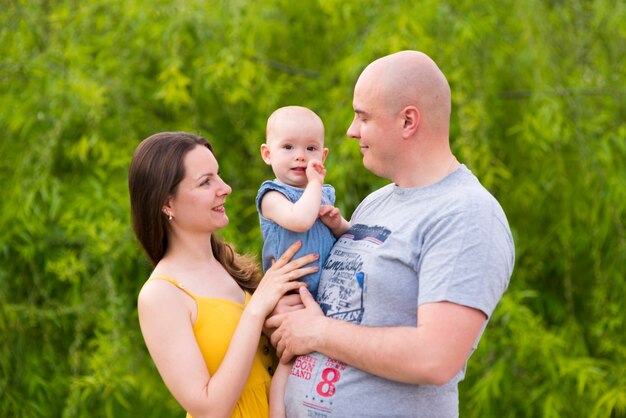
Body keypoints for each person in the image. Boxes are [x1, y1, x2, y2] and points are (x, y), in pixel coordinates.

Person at [266, 51, 515, 417]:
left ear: (408, 121)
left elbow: (436, 357)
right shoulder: (376, 203)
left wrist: (317, 332)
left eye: (363, 117)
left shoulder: (466, 213)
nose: (351, 130)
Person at [128, 132, 320, 418]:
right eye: (206, 182)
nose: (226, 188)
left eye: (218, 176)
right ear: (167, 203)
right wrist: (256, 311)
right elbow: (210, 409)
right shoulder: (161, 294)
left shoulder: (231, 265)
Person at [255, 106, 350, 417]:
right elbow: (300, 220)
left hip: (321, 296)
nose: (299, 156)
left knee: (319, 356)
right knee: (288, 357)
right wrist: (314, 186)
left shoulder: (322, 194)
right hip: (289, 294)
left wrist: (337, 223)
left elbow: (349, 234)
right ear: (268, 154)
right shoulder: (272, 196)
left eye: (310, 148)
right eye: (288, 147)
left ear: (322, 156)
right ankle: (277, 413)